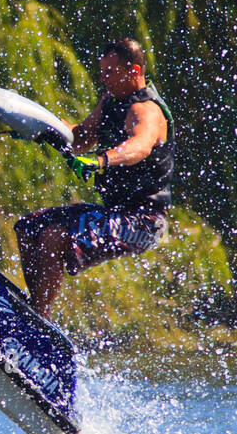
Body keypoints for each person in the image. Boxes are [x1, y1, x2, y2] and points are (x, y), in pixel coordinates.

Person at [14, 38, 173, 317]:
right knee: (28, 228)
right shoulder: (110, 102)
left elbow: (140, 146)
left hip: (143, 220)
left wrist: (101, 161)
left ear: (134, 71)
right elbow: (81, 138)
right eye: (102, 71)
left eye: (110, 72)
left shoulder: (146, 110)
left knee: (54, 237)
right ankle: (33, 309)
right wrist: (38, 128)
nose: (103, 78)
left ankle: (40, 318)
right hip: (114, 212)